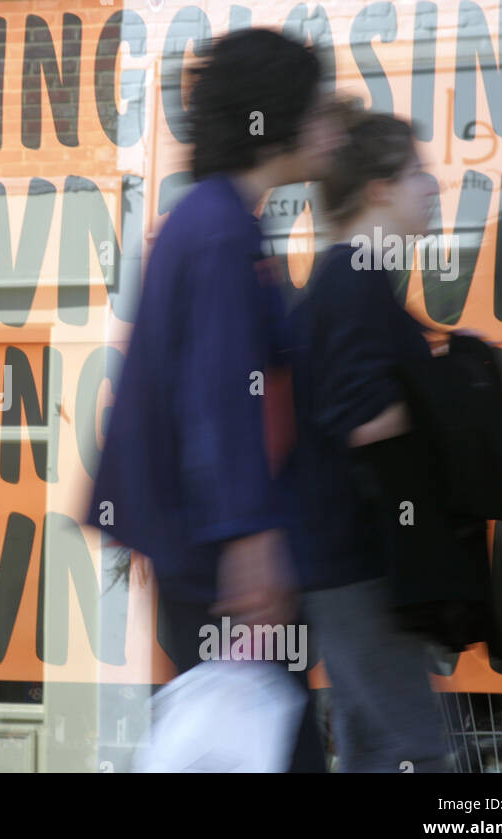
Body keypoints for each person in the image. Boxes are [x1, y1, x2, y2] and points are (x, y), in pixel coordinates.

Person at [85, 27, 342, 771]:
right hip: (224, 565)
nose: (331, 123)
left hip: (209, 558)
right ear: (277, 116)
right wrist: (250, 541)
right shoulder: (223, 230)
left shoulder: (208, 218)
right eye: (318, 106)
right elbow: (221, 398)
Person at [287, 102, 455, 772]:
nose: (433, 187)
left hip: (352, 561)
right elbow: (363, 417)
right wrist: (449, 400)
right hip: (359, 565)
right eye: (419, 173)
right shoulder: (353, 281)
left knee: (373, 747)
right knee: (415, 751)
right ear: (379, 189)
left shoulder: (352, 279)